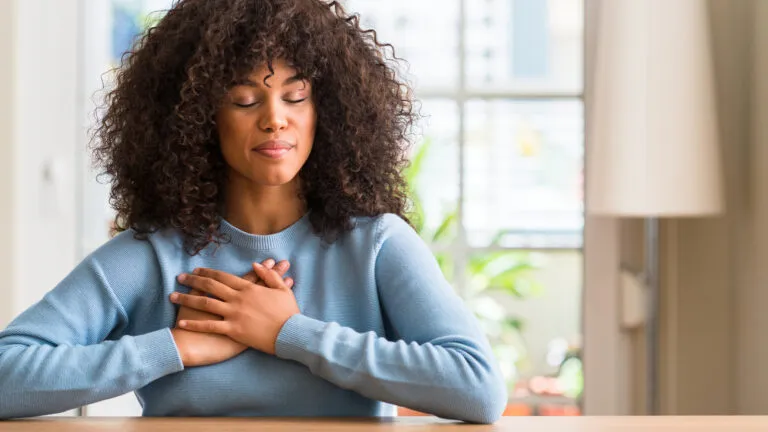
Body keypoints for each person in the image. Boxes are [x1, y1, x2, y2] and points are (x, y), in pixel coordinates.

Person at [0, 0, 507, 423]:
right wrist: (173, 347)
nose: (273, 120)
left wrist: (290, 333)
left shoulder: (376, 244)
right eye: (244, 99)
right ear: (197, 117)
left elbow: (477, 389)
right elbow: (8, 373)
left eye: (296, 96)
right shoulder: (151, 255)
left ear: (325, 112)